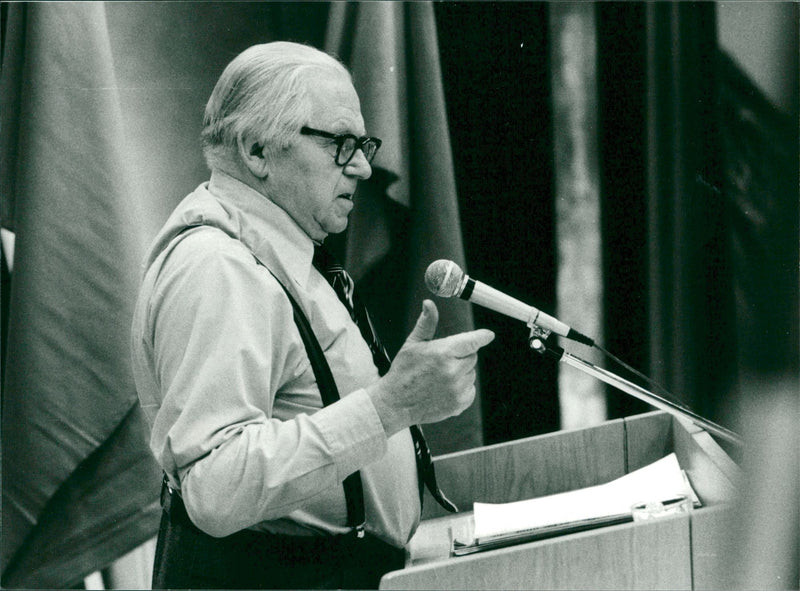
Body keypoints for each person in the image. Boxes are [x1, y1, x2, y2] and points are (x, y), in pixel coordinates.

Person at [130, 41, 494, 589]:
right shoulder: (219, 268)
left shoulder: (275, 248)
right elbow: (216, 485)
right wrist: (389, 405)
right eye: (342, 144)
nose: (365, 167)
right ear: (257, 150)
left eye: (365, 144)